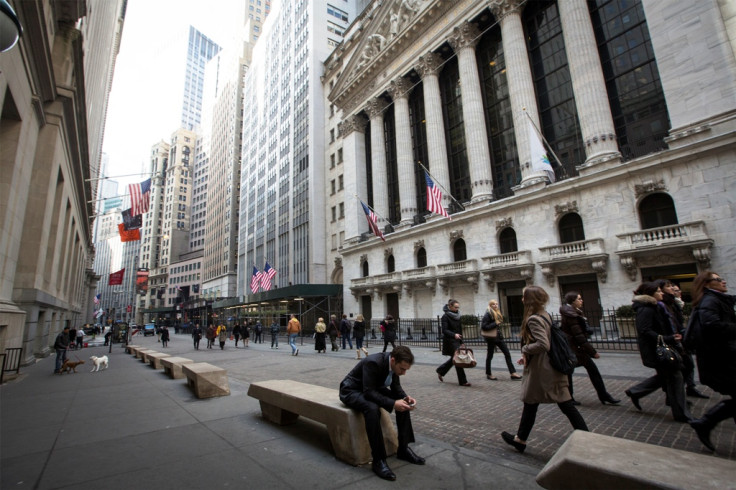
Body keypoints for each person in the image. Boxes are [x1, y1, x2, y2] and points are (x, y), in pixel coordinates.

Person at [501, 286, 588, 453]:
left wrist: (526, 349)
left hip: (543, 369)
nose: (521, 299)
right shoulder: (545, 315)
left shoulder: (534, 319)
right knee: (555, 403)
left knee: (540, 402)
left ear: (529, 300)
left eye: (523, 296)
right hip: (549, 365)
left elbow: (543, 344)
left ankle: (521, 439)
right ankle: (521, 439)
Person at [339, 346, 425, 481]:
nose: (403, 373)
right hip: (352, 390)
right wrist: (392, 404)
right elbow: (369, 392)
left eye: (406, 369)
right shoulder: (373, 362)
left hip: (371, 388)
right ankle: (379, 460)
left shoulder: (395, 365)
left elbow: (395, 387)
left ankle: (403, 449)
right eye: (402, 369)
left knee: (403, 404)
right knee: (372, 409)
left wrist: (405, 397)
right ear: (393, 360)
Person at [624, 282, 692, 422]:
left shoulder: (656, 307)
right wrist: (668, 338)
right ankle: (681, 413)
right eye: (659, 291)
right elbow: (645, 330)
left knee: (667, 377)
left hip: (662, 347)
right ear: (651, 294)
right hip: (658, 350)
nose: (662, 293)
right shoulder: (646, 309)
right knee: (675, 377)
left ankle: (636, 392)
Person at [687, 271, 736, 452]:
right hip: (721, 358)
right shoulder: (710, 301)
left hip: (724, 356)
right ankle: (705, 422)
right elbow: (711, 326)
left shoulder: (718, 300)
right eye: (718, 279)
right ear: (707, 284)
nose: (723, 281)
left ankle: (705, 423)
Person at [559, 292, 619, 405]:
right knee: (576, 371)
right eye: (579, 299)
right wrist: (593, 352)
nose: (581, 301)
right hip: (575, 349)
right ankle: (571, 397)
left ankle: (601, 395)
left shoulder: (574, 313)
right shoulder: (572, 315)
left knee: (575, 371)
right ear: (573, 301)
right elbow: (579, 337)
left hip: (575, 348)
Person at [657, 279, 708, 399]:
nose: (674, 290)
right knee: (681, 368)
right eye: (669, 287)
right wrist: (672, 336)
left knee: (686, 365)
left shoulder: (673, 302)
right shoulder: (662, 304)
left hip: (680, 336)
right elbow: (666, 323)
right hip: (674, 339)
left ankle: (686, 389)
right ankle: (674, 395)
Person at [481, 300, 521, 381]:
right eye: (493, 304)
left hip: (498, 337)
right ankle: (488, 373)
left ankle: (513, 373)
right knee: (490, 356)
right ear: (490, 305)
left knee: (507, 353)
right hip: (491, 338)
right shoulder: (488, 314)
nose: (495, 306)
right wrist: (495, 323)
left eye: (496, 304)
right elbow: (484, 327)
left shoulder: (497, 313)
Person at [436, 300, 470, 386]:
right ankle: (463, 381)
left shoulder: (458, 316)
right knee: (458, 358)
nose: (457, 309)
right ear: (450, 306)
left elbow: (459, 329)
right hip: (450, 340)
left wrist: (461, 341)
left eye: (458, 307)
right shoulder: (445, 316)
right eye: (455, 307)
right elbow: (444, 330)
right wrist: (454, 335)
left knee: (454, 359)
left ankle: (441, 370)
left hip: (457, 339)